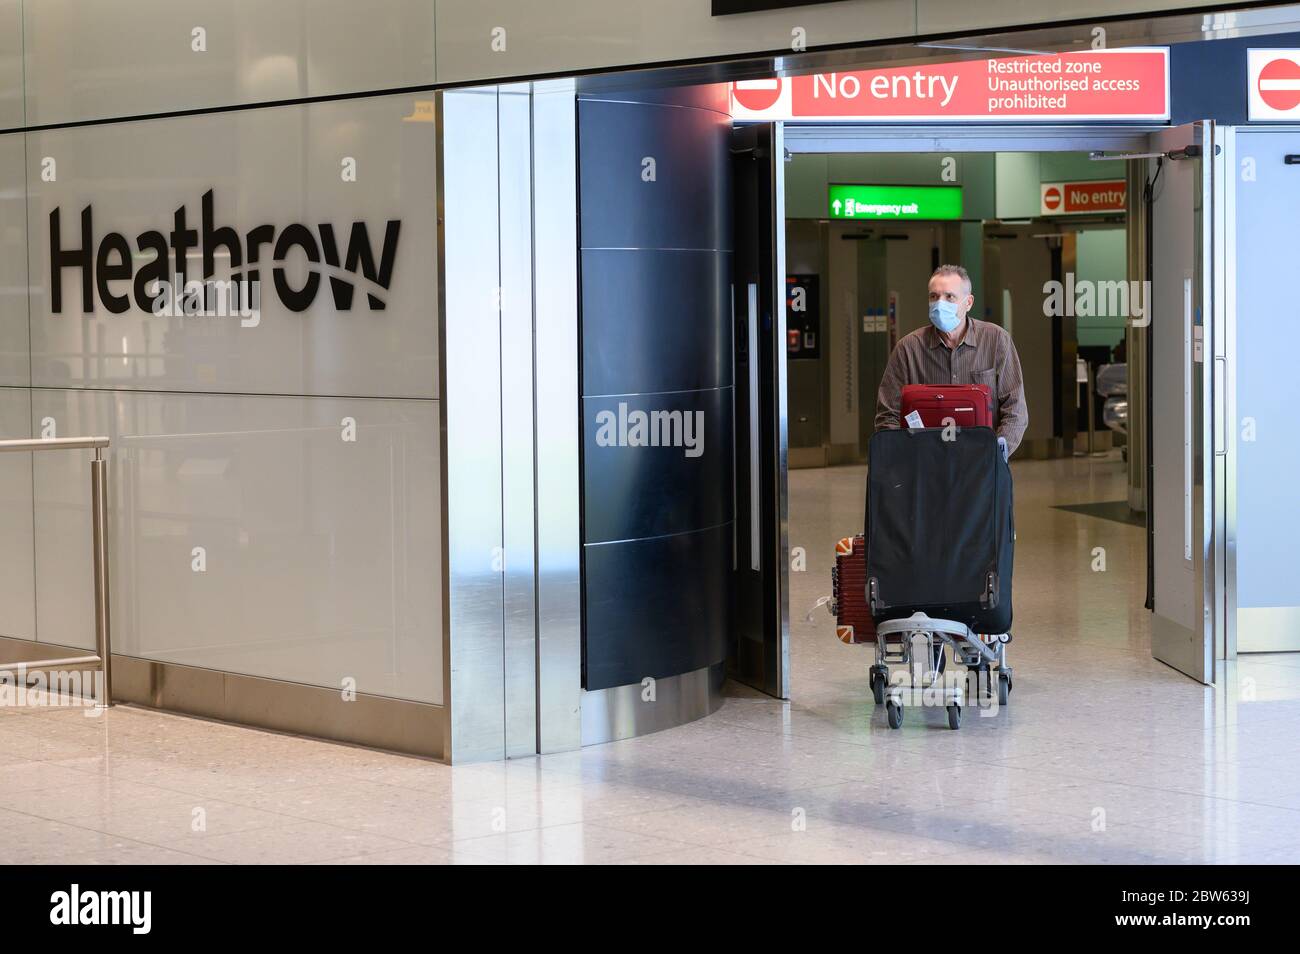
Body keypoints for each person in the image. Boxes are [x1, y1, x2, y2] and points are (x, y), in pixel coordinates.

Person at [874, 264, 1028, 459]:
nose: (940, 303)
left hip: (983, 464)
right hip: (925, 466)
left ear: (968, 302)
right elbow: (888, 415)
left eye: (949, 297)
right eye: (934, 296)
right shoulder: (908, 349)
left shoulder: (996, 340)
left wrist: (994, 454)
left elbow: (1015, 410)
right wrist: (909, 456)